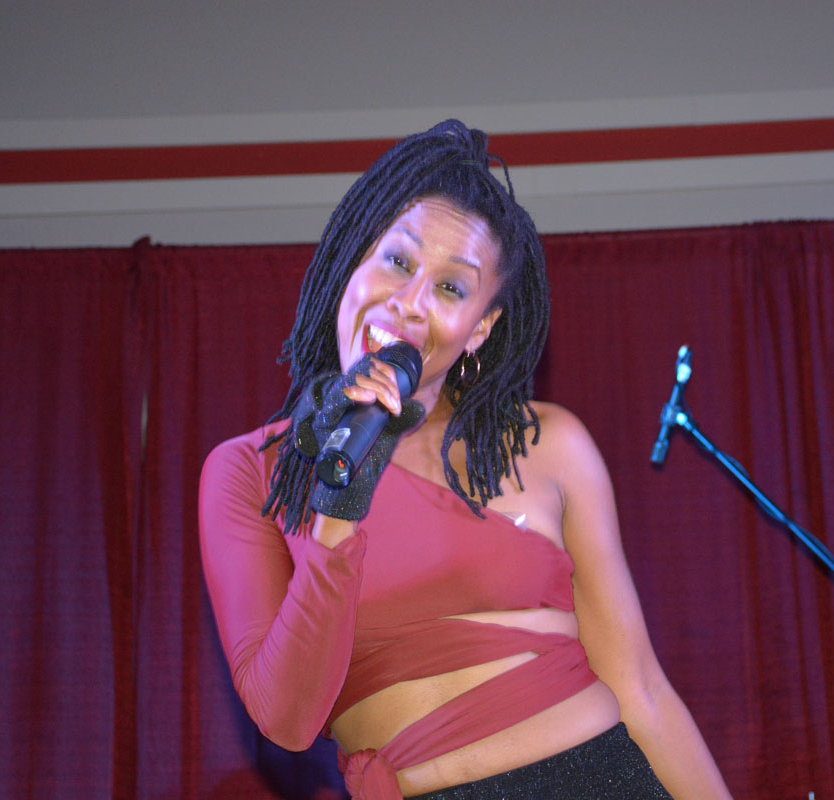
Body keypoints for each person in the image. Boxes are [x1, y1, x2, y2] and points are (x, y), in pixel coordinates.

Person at [199, 120, 732, 800]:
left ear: (480, 328)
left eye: (451, 288)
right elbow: (286, 720)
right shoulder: (254, 471)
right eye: (398, 262)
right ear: (353, 260)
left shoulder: (545, 444)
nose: (410, 303)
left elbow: (641, 689)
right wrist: (339, 507)